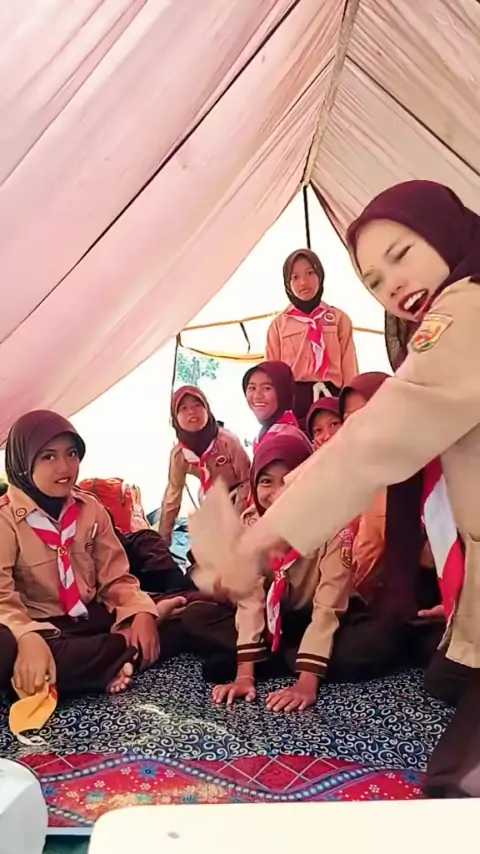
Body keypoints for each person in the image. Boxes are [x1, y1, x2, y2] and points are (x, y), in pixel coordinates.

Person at [191, 181, 480, 793]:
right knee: (444, 677)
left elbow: (374, 441)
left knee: (457, 784)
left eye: (401, 255)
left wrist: (261, 540)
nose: (393, 286)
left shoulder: (466, 307)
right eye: (374, 280)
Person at [0, 411, 186, 698]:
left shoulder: (90, 509)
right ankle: (123, 650)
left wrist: (139, 611)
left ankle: (119, 649)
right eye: (48, 457)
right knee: (10, 654)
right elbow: (2, 599)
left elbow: (116, 578)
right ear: (23, 463)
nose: (64, 467)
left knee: (186, 621)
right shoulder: (5, 520)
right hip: (42, 628)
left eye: (72, 454)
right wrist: (26, 635)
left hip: (90, 618)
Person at [266, 249, 358, 427]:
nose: (303, 282)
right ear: (287, 283)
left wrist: (351, 407)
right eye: (295, 277)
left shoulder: (339, 318)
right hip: (296, 403)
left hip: (333, 398)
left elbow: (350, 367)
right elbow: (272, 376)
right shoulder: (278, 326)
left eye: (310, 273)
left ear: (320, 276)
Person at [158, 386, 250, 544]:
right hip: (212, 501)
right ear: (175, 418)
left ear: (207, 408)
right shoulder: (180, 455)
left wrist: (235, 517)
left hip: (242, 498)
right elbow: (173, 495)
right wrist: (163, 539)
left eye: (197, 405)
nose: (191, 412)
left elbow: (248, 480)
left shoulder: (227, 441)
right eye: (183, 408)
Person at [242, 361, 301, 451]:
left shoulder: (284, 439)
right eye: (252, 388)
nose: (257, 396)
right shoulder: (266, 432)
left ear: (283, 393)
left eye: (266, 388)